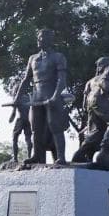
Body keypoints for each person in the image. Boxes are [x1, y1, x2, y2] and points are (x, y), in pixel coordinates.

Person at [13, 28, 69, 165]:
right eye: (38, 37)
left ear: (50, 40)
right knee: (35, 128)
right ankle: (37, 156)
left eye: (42, 38)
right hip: (37, 96)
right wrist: (17, 98)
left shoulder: (58, 57)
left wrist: (56, 96)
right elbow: (26, 79)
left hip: (51, 94)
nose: (39, 40)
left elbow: (62, 80)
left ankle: (61, 157)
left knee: (55, 126)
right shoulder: (33, 58)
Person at [8, 82, 32, 162]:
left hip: (20, 119)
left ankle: (15, 158)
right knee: (28, 138)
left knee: (15, 138)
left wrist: (11, 118)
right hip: (28, 119)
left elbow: (14, 112)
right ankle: (29, 156)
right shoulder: (29, 97)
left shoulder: (17, 98)